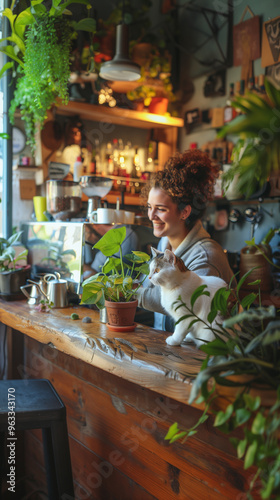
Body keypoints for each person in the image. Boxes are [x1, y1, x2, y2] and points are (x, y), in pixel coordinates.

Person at [136, 149, 235, 331]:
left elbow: (184, 302)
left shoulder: (205, 256)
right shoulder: (164, 245)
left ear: (184, 212)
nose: (151, 216)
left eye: (161, 209)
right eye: (149, 207)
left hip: (202, 355)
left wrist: (130, 294)